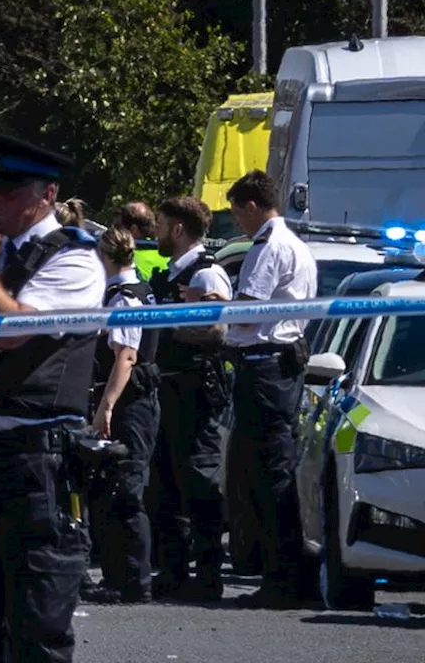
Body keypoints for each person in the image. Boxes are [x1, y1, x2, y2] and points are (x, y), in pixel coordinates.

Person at [0, 133, 105, 663]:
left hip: (39, 457)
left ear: (47, 194)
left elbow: (14, 331)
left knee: (39, 615)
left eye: (8, 190)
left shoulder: (75, 259)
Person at [223, 170, 317, 609]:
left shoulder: (267, 246)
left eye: (238, 212)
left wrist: (216, 312)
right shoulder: (296, 244)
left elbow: (247, 314)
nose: (237, 222)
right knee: (270, 471)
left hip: (264, 368)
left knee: (267, 475)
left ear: (253, 207)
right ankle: (281, 574)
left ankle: (282, 579)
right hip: (278, 366)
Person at [147, 196, 234, 602]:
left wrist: (163, 328)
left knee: (198, 478)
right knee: (165, 480)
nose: (156, 232)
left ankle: (209, 572)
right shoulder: (173, 274)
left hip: (196, 390)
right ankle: (173, 569)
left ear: (178, 229)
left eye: (161, 224)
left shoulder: (207, 275)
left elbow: (216, 332)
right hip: (168, 387)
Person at [80, 227, 161, 605]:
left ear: (106, 257)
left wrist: (106, 405)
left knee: (126, 491)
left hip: (131, 406)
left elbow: (125, 357)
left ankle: (132, 580)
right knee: (114, 488)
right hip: (133, 404)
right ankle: (121, 576)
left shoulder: (125, 300)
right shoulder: (134, 290)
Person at [111, 202, 168, 281]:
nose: (112, 232)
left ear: (133, 230)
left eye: (117, 227)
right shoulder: (169, 257)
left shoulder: (123, 257)